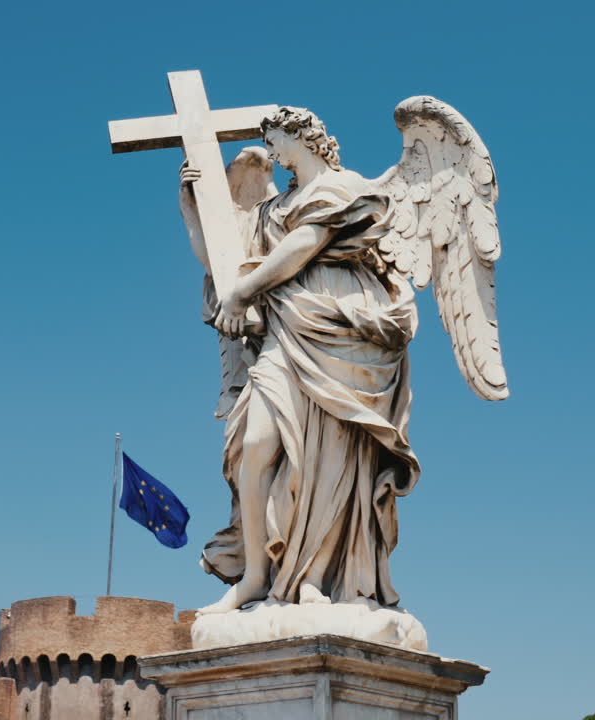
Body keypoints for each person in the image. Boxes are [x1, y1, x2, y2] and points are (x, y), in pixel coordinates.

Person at [179, 107, 422, 614]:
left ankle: (316, 576)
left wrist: (246, 290)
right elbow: (223, 266)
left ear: (301, 136)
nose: (271, 154)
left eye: (276, 141)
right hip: (285, 330)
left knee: (327, 458)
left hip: (340, 329)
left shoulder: (345, 187)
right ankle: (255, 576)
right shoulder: (275, 207)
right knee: (255, 445)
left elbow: (303, 246)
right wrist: (192, 208)